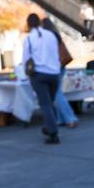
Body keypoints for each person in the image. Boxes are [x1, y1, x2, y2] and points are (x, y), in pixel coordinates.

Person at [22, 14, 62, 144]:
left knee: (45, 105)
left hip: (39, 75)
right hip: (54, 73)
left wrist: (26, 75)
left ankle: (53, 132)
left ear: (28, 24)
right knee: (50, 102)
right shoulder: (51, 35)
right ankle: (50, 126)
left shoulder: (29, 39)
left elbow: (26, 60)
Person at [41, 18, 78, 129]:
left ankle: (70, 118)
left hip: (54, 68)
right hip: (60, 66)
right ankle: (61, 118)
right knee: (56, 93)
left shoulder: (48, 37)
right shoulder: (56, 35)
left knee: (57, 95)